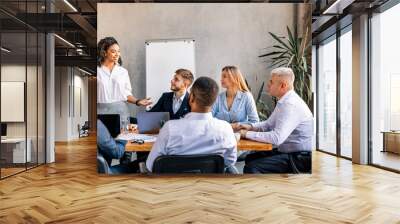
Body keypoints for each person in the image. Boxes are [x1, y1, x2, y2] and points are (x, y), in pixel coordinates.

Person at [146, 77, 237, 172]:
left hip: (174, 185)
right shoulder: (226, 128)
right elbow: (230, 161)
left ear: (191, 97)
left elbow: (151, 166)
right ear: (214, 101)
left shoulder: (169, 128)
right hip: (209, 184)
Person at [238, 67, 313, 174]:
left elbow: (276, 138)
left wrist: (246, 134)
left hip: (300, 157)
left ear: (282, 86)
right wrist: (250, 127)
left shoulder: (290, 104)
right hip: (290, 152)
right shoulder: (284, 101)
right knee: (251, 158)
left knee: (252, 167)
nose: (268, 84)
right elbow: (268, 124)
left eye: (271, 82)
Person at [97, 37, 152, 125]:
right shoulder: (97, 71)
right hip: (100, 112)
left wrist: (138, 101)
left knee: (121, 138)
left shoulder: (123, 72)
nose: (117, 54)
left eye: (118, 51)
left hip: (120, 112)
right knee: (103, 138)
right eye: (113, 51)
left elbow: (126, 94)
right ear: (104, 53)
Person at [212, 66, 259, 130]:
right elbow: (209, 119)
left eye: (224, 76)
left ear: (234, 78)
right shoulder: (218, 98)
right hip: (220, 136)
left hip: (241, 137)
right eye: (221, 77)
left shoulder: (247, 96)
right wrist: (233, 126)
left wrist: (238, 125)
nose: (221, 79)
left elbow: (255, 122)